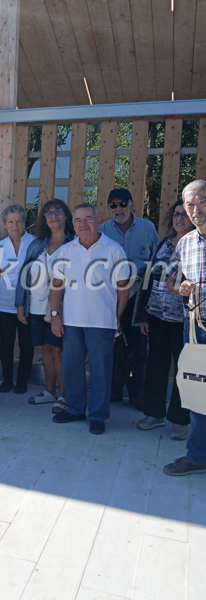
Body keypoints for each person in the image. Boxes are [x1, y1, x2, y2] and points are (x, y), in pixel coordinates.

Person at [50, 203, 130, 435]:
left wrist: (117, 318)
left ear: (98, 221)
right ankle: (75, 409)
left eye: (87, 218)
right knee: (71, 369)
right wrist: (55, 316)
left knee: (100, 371)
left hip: (102, 322)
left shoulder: (113, 249)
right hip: (72, 322)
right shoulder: (66, 251)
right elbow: (56, 286)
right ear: (73, 224)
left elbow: (123, 288)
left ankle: (98, 416)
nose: (82, 223)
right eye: (78, 220)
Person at [134, 200, 194, 439]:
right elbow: (149, 281)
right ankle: (154, 414)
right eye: (176, 214)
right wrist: (143, 317)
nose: (179, 218)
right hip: (157, 315)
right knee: (156, 366)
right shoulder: (164, 244)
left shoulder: (198, 246)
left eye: (184, 215)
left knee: (183, 369)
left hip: (184, 320)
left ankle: (180, 420)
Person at [99, 188, 159, 409]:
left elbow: (157, 261)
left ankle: (137, 393)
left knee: (137, 346)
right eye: (113, 205)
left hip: (138, 297)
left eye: (123, 204)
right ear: (109, 208)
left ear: (132, 204)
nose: (118, 209)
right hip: (110, 297)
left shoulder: (147, 228)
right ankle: (114, 390)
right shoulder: (102, 230)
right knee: (110, 345)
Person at [15, 199, 75, 413]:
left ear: (66, 216)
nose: (54, 216)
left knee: (59, 351)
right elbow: (24, 275)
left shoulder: (74, 243)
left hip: (62, 309)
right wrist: (20, 304)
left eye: (58, 211)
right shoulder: (37, 244)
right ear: (44, 219)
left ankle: (64, 395)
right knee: (45, 349)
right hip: (36, 307)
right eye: (49, 213)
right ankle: (49, 391)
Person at [163, 179, 206, 476]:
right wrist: (181, 287)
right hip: (195, 329)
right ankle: (198, 456)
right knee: (198, 394)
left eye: (202, 201)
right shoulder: (186, 242)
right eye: (190, 204)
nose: (195, 209)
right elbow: (170, 281)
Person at [0, 204, 35, 395]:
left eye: (18, 221)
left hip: (27, 303)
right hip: (4, 301)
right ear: (5, 224)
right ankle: (7, 379)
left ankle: (23, 380)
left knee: (26, 343)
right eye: (10, 222)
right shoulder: (1, 245)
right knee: (6, 343)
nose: (15, 225)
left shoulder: (34, 242)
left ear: (24, 222)